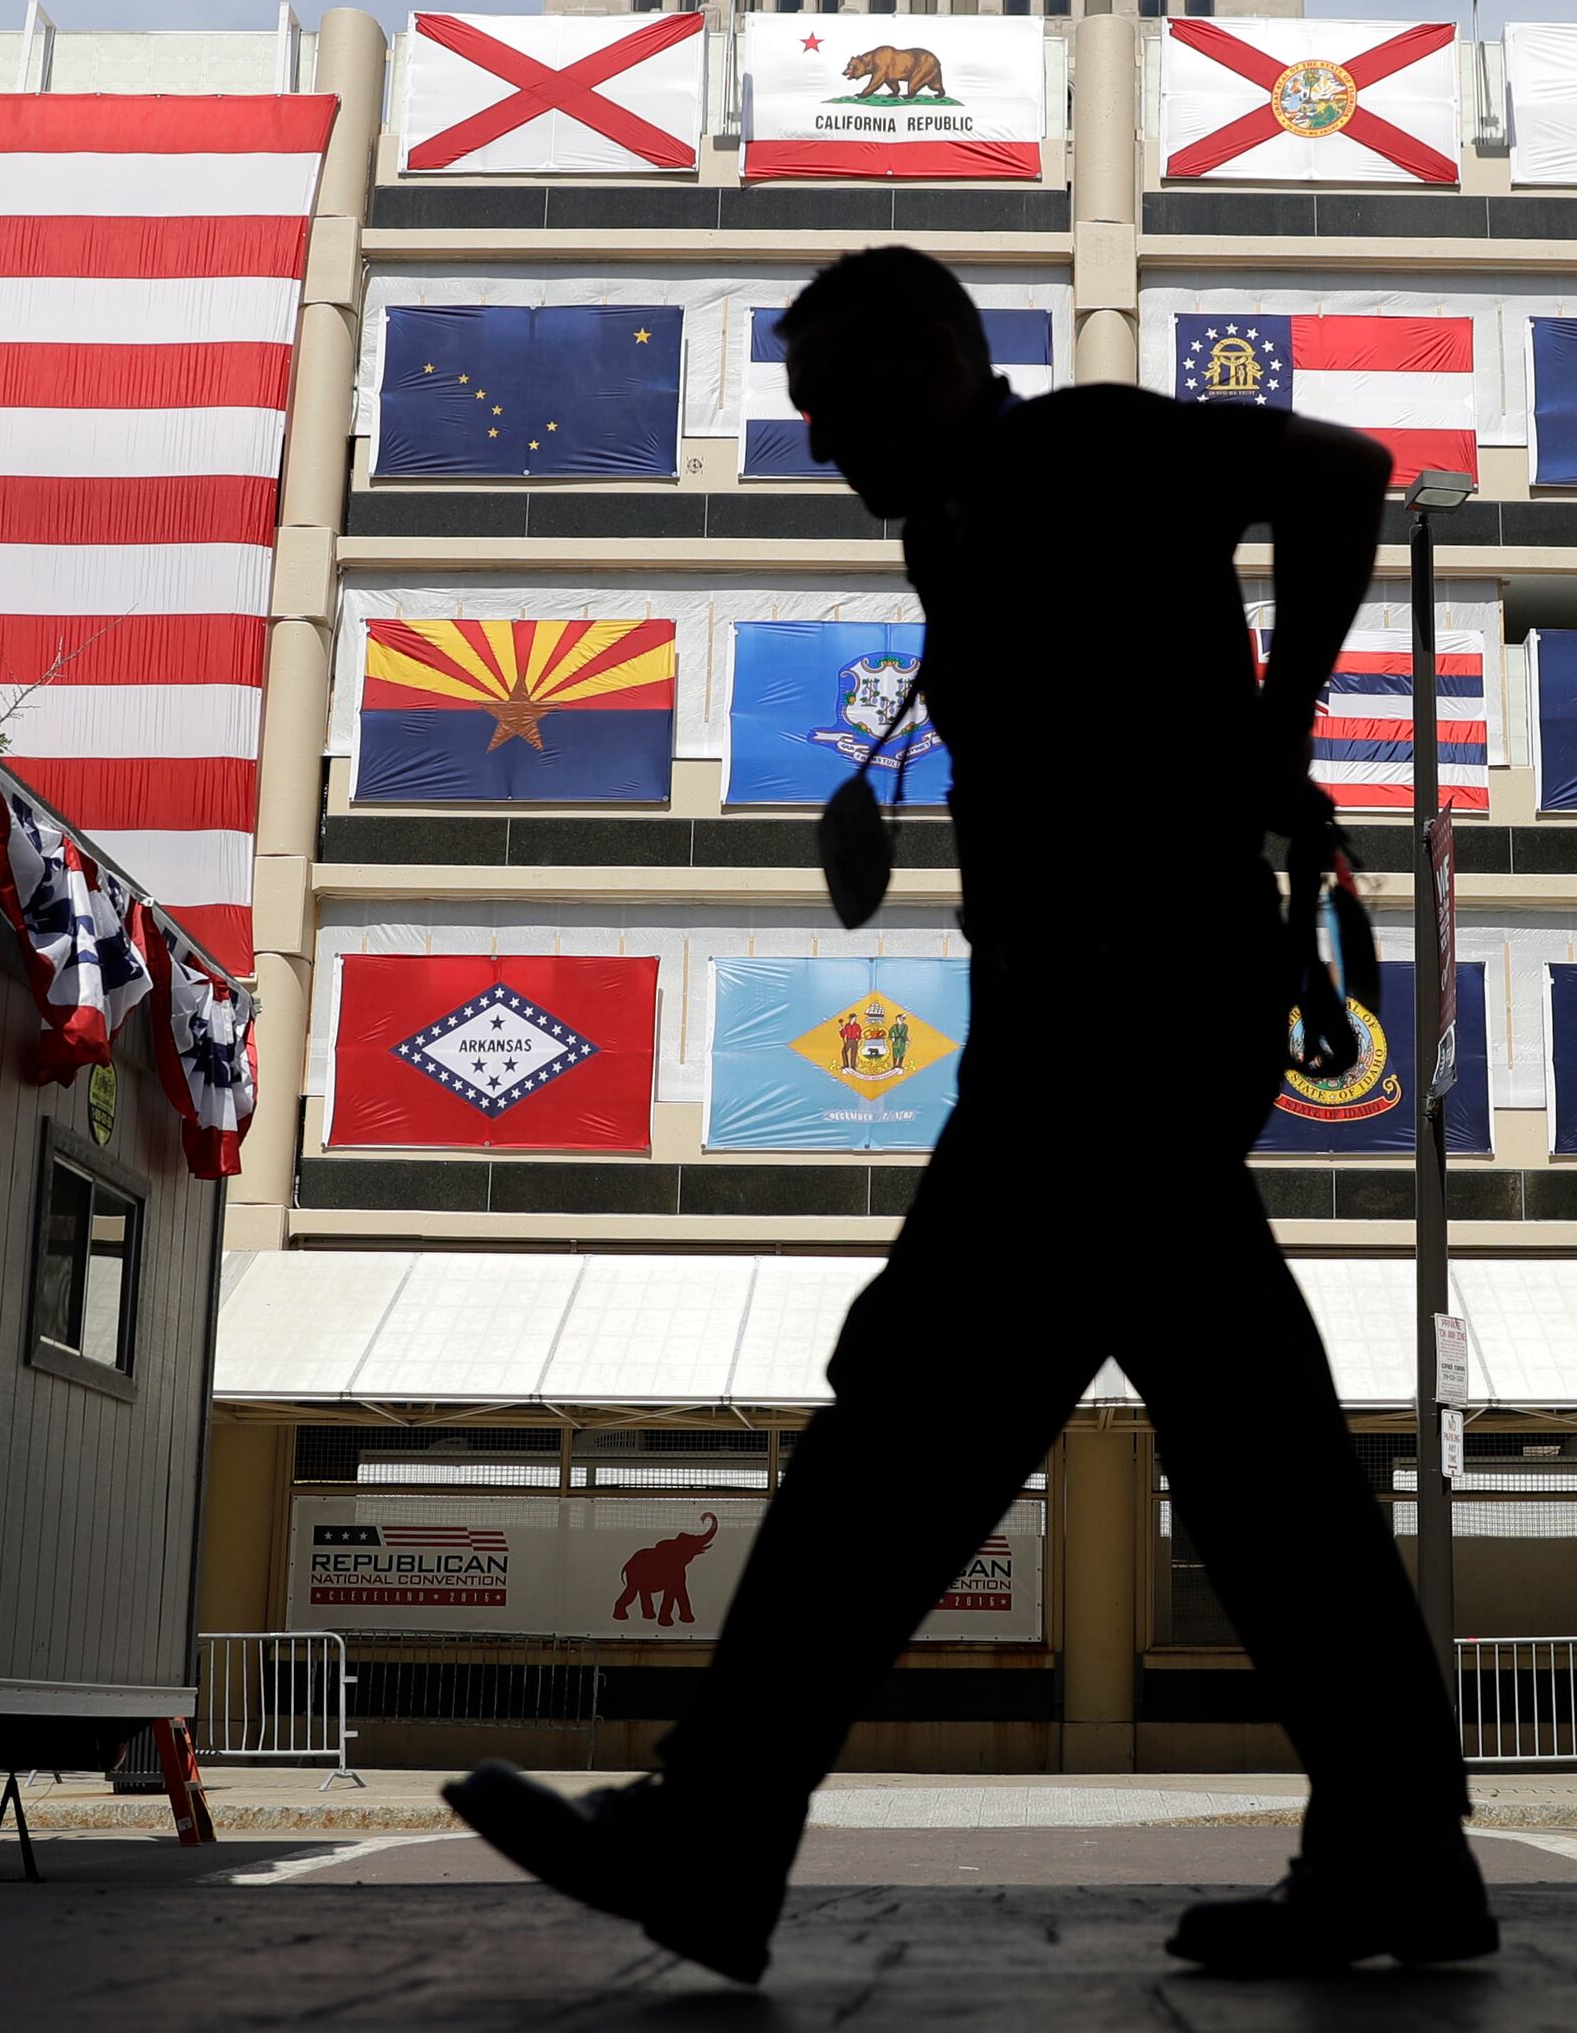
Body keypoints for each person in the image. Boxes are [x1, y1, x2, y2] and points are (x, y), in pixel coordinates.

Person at [444, 246, 1490, 1983]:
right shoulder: (965, 529)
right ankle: (1401, 1850)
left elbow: (1340, 476)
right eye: (807, 418)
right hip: (1098, 1026)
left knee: (911, 1419)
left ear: (938, 361)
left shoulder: (1080, 444)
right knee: (1253, 1458)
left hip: (1120, 1024)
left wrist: (1276, 731)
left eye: (843, 403)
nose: (826, 447)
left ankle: (716, 1831)